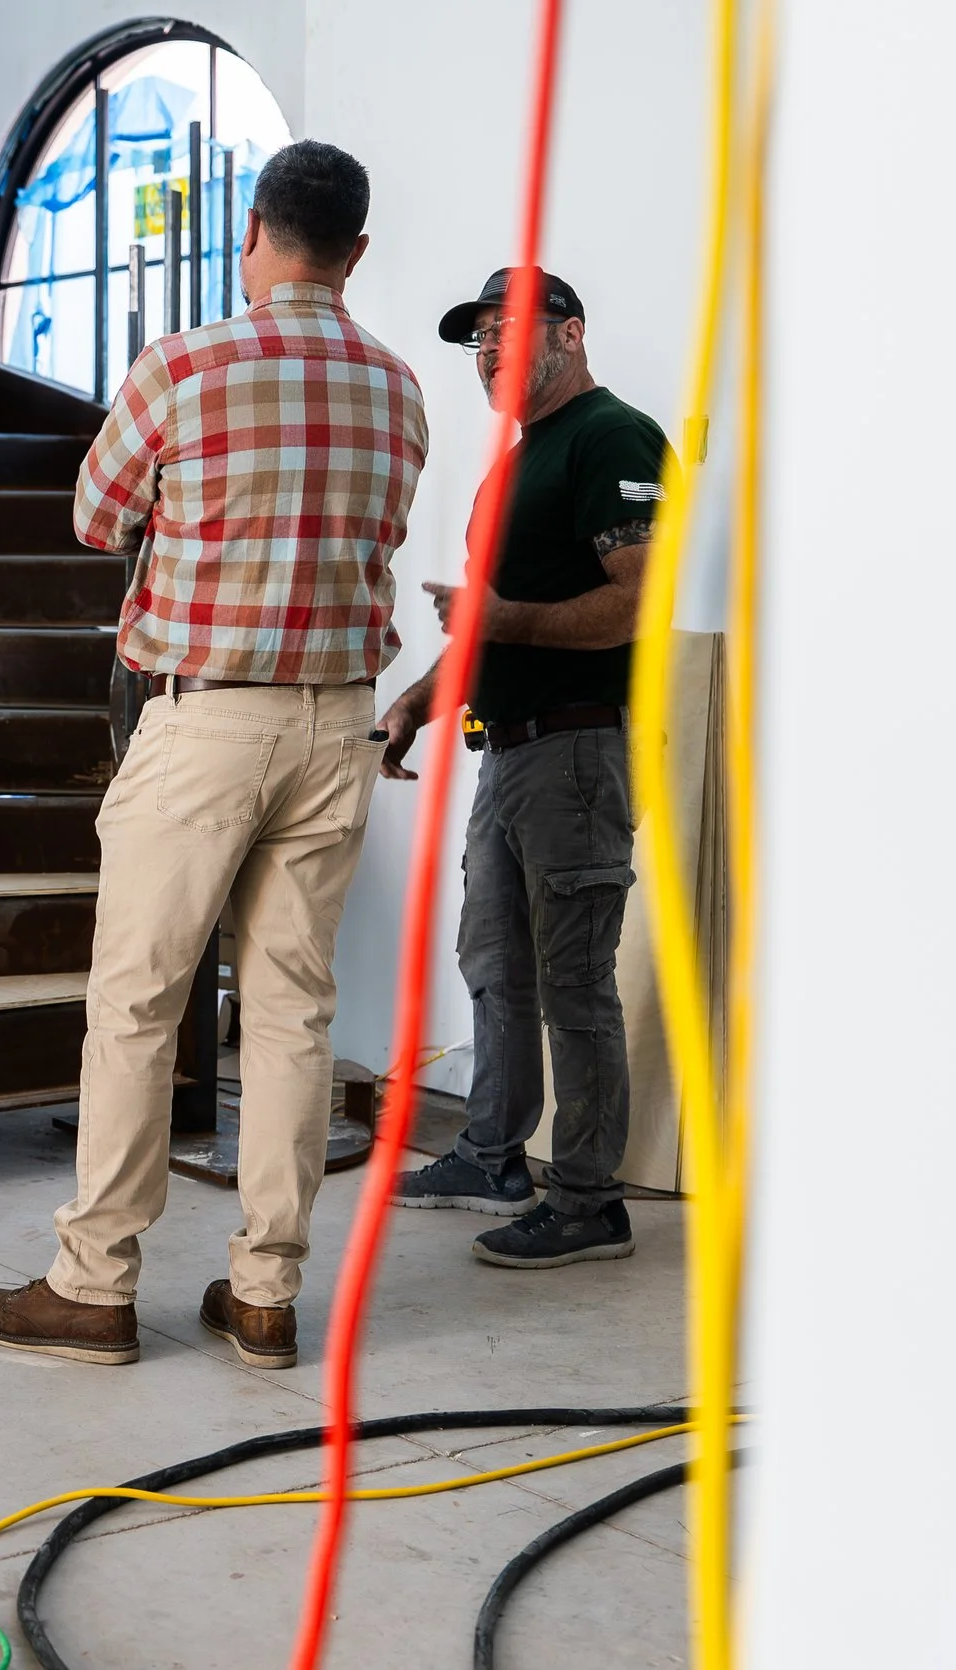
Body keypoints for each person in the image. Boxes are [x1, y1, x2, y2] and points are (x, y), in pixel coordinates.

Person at [0, 140, 428, 1370]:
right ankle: (266, 1296)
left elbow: (94, 516)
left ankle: (95, 1288)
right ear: (358, 250)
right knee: (290, 1015)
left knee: (136, 1006)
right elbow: (375, 538)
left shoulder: (185, 367)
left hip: (207, 716)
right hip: (336, 719)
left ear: (252, 231)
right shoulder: (398, 389)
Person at [378, 269, 669, 1268]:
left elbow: (638, 600)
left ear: (570, 333)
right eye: (476, 340)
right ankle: (491, 1154)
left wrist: (498, 621)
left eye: (507, 331)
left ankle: (589, 1200)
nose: (489, 352)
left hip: (577, 748)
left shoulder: (610, 436)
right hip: (507, 749)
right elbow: (488, 622)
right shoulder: (517, 463)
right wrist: (420, 700)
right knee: (494, 964)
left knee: (574, 980)